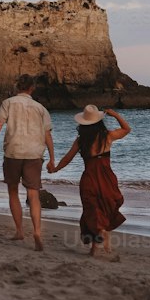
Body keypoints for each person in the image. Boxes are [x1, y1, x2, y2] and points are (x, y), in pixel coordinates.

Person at [0, 73, 56, 251]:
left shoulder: (8, 103)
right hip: (34, 154)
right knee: (33, 195)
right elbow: (47, 135)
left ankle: (20, 231)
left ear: (17, 87)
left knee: (13, 192)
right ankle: (37, 231)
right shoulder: (40, 108)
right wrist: (53, 158)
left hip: (13, 152)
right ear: (32, 88)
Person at [53, 104, 130, 258]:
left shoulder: (81, 141)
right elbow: (127, 129)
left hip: (89, 178)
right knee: (106, 207)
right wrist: (115, 115)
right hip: (106, 178)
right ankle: (103, 241)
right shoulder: (107, 136)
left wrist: (56, 168)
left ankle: (95, 249)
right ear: (99, 121)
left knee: (92, 210)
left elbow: (68, 157)